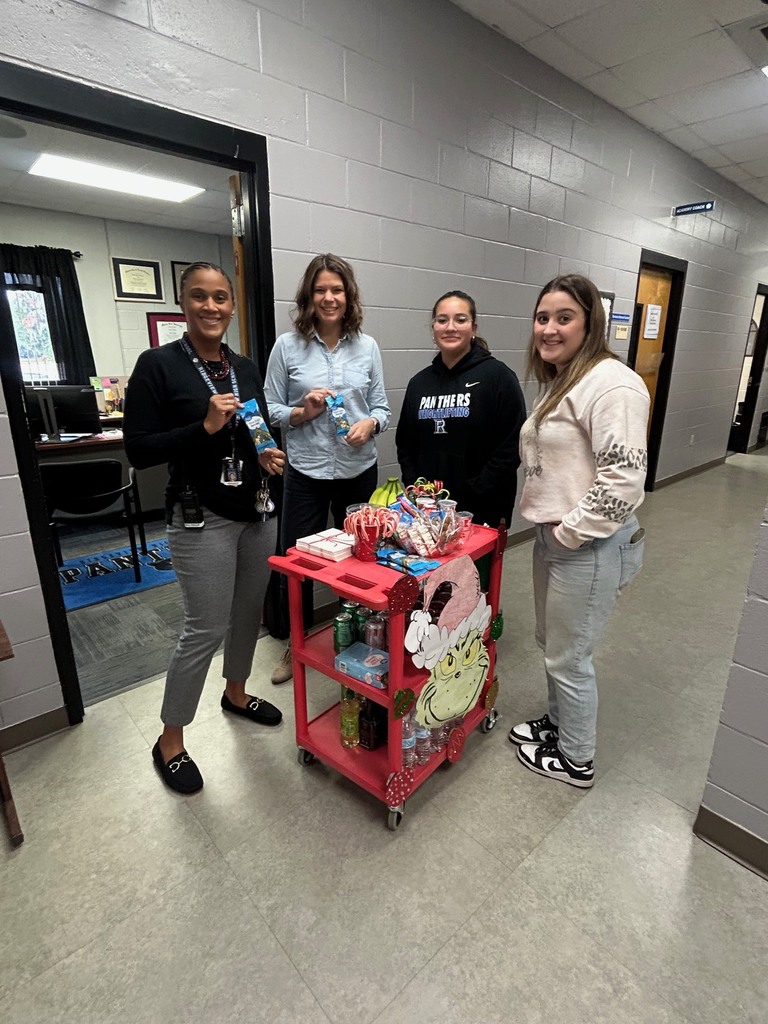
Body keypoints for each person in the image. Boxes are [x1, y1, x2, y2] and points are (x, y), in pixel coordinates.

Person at [123, 261, 286, 794]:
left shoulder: (243, 365)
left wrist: (264, 452)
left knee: (246, 616)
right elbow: (140, 449)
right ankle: (170, 740)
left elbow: (254, 423)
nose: (211, 307)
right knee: (204, 628)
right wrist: (204, 426)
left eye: (221, 298)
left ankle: (236, 693)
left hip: (256, 510)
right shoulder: (159, 365)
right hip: (200, 517)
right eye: (199, 297)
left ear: (232, 306)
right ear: (183, 302)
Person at [509, 273, 650, 789]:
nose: (549, 328)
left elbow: (624, 477)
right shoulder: (566, 378)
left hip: (587, 545)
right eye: (542, 317)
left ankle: (576, 758)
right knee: (554, 644)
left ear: (589, 323)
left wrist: (570, 533)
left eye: (563, 317)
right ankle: (558, 724)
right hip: (555, 540)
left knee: (570, 656)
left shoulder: (613, 384)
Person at [264, 253, 390, 684]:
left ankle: (357, 643)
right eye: (320, 290)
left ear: (348, 295)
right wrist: (302, 411)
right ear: (309, 296)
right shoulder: (287, 346)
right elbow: (271, 409)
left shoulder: (368, 346)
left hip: (358, 470)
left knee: (361, 562)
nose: (329, 297)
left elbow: (382, 408)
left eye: (336, 289)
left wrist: (370, 424)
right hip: (306, 473)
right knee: (295, 562)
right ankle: (292, 646)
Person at [396, 289, 526, 527]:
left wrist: (475, 490)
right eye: (442, 320)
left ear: (474, 328)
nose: (450, 327)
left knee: (476, 566)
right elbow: (405, 444)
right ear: (433, 327)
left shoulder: (498, 377)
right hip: (428, 509)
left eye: (460, 319)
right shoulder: (419, 383)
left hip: (482, 508)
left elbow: (511, 445)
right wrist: (417, 488)